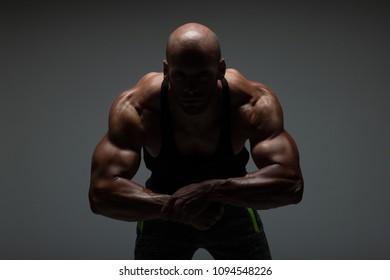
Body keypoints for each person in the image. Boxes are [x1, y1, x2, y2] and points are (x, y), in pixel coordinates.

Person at [88, 22, 304, 260]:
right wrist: (177, 206)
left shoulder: (252, 103)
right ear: (166, 70)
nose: (191, 89)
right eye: (180, 76)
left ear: (220, 68)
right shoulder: (137, 107)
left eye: (202, 76)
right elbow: (100, 194)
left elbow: (291, 184)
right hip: (161, 212)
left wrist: (211, 190)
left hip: (232, 207)